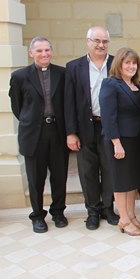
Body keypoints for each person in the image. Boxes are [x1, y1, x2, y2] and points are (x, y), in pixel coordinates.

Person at [9, 37, 70, 233]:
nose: (44, 54)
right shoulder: (19, 76)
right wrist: (33, 122)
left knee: (59, 176)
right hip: (34, 134)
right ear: (31, 53)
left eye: (47, 50)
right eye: (39, 51)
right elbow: (18, 107)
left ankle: (58, 212)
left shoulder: (62, 73)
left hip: (57, 132)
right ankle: (37, 216)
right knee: (36, 178)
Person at [64, 26, 119, 230]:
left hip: (109, 127)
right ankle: (92, 211)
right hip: (85, 127)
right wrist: (71, 132)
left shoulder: (116, 63)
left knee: (109, 169)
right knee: (87, 171)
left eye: (104, 41)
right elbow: (68, 102)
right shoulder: (73, 67)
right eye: (96, 41)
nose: (101, 45)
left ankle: (108, 208)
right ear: (87, 41)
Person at [99, 48, 140, 236]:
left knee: (133, 181)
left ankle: (132, 216)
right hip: (119, 140)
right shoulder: (110, 84)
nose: (131, 66)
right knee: (121, 182)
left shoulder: (137, 84)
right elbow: (108, 117)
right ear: (119, 64)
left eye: (134, 63)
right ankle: (123, 220)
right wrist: (116, 143)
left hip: (135, 139)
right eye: (127, 62)